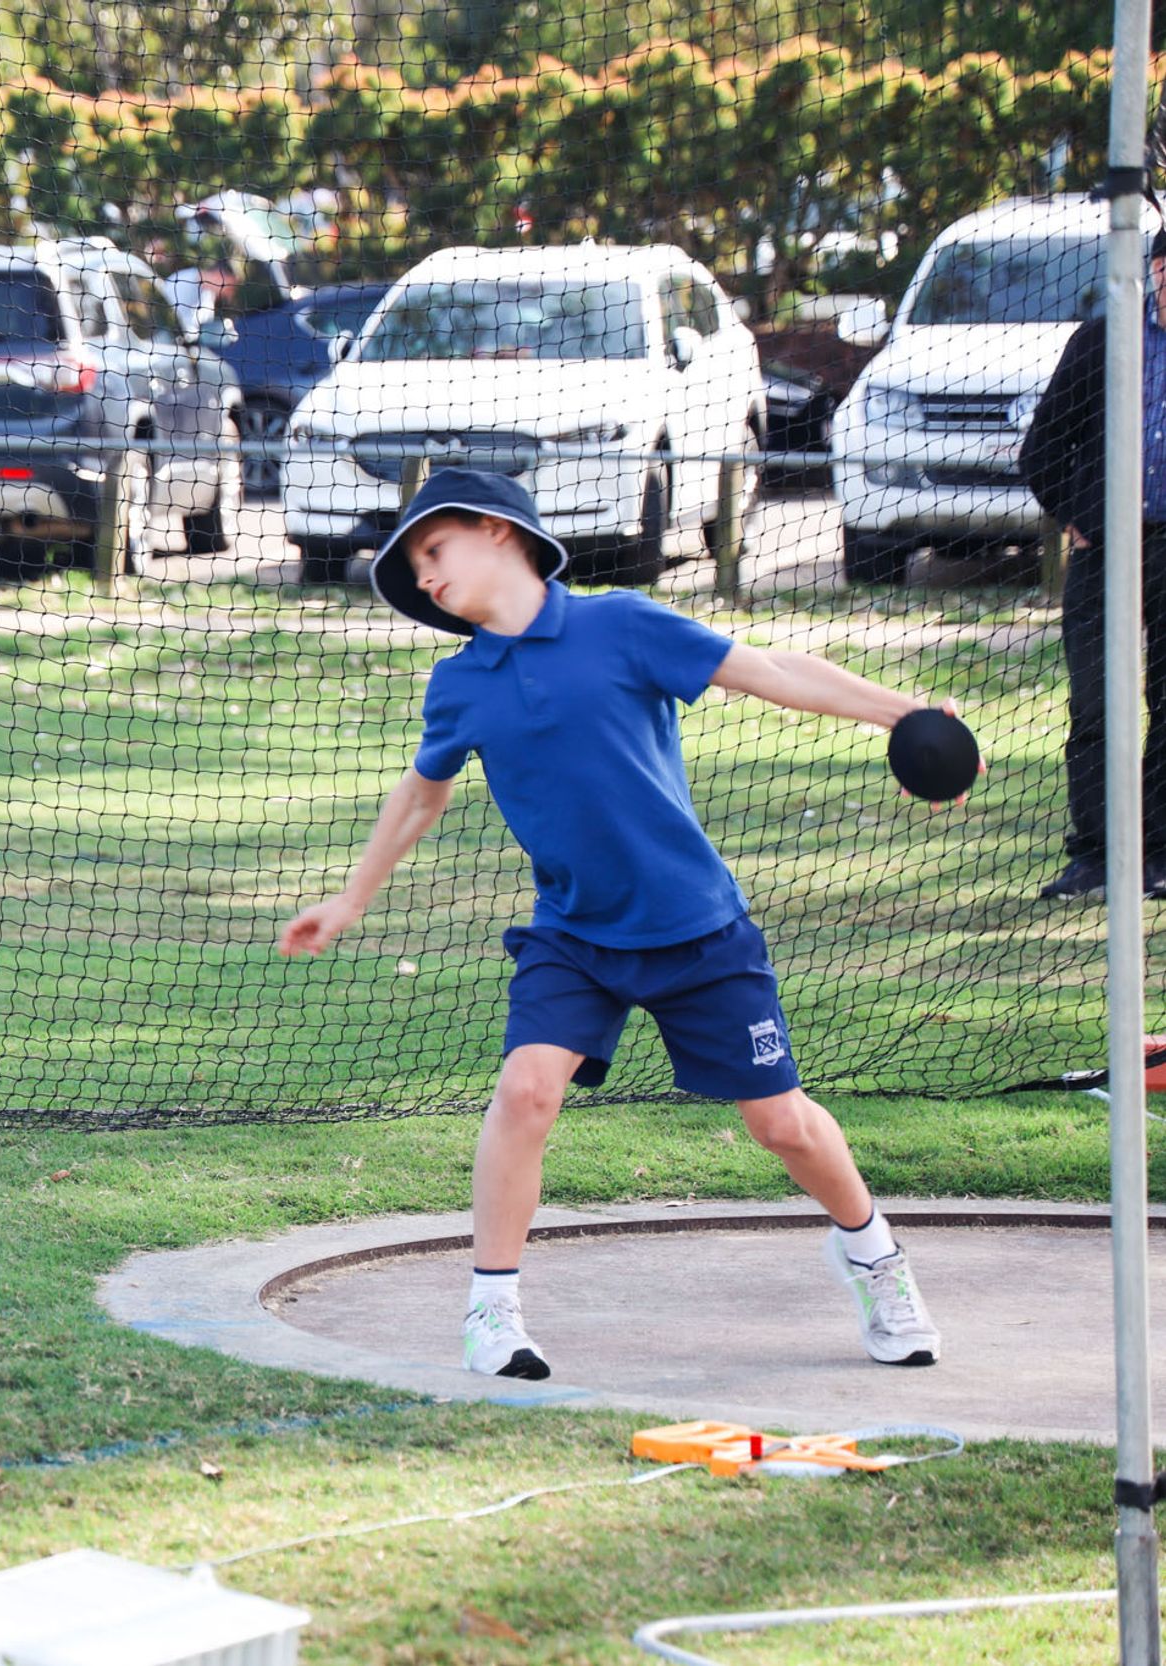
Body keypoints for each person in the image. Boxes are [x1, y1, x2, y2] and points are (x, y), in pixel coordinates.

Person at [276, 469, 947, 1381]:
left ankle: (874, 1257)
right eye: (415, 569)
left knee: (782, 1125)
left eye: (433, 550)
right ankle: (492, 1312)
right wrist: (351, 899)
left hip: (699, 929)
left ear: (498, 529)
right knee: (526, 1092)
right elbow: (423, 793)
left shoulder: (622, 625)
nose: (424, 577)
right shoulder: (461, 683)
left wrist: (906, 714)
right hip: (575, 935)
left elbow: (772, 673)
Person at [1017, 223, 1166, 900]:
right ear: (1152, 271)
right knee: (1097, 702)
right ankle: (1096, 854)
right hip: (1106, 550)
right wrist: (1076, 515)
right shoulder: (1104, 340)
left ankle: (1157, 854)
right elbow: (1043, 445)